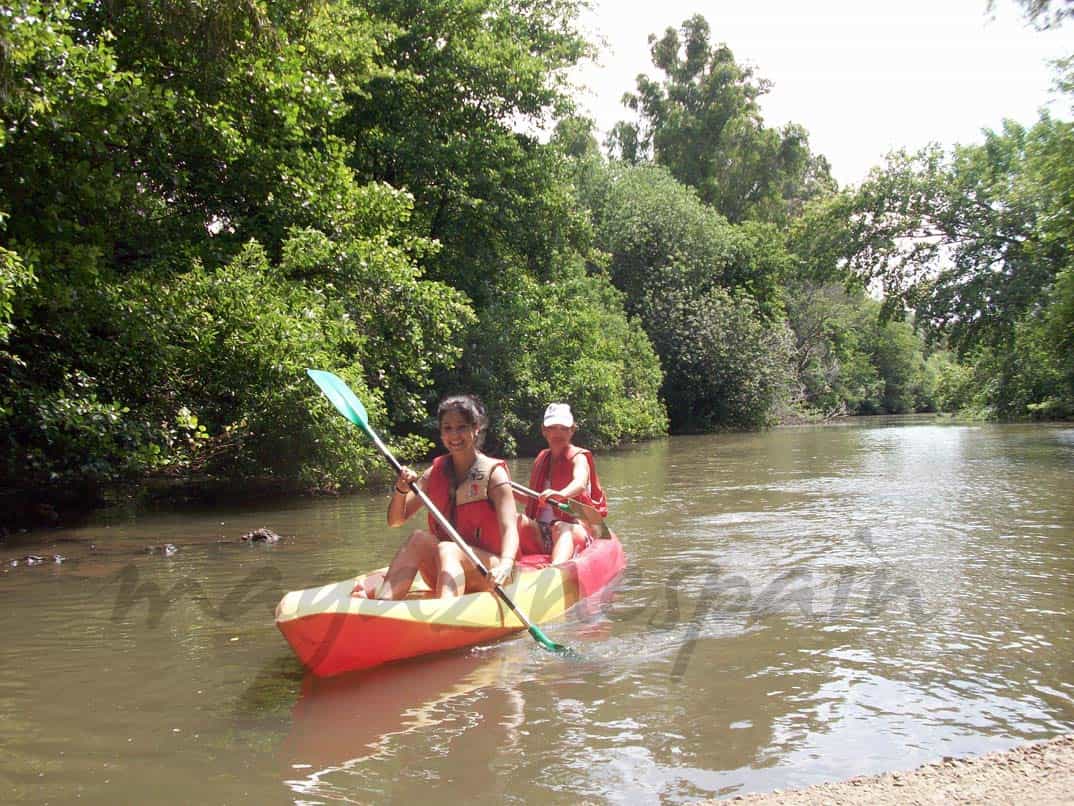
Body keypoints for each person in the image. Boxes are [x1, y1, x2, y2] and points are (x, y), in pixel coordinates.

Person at [353, 394, 519, 600]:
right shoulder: (435, 473)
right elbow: (395, 521)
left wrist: (506, 564)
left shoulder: (494, 475)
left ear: (475, 428)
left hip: (490, 573)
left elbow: (510, 527)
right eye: (447, 428)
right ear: (441, 433)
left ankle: (444, 615)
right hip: (446, 569)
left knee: (449, 549)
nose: (454, 435)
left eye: (462, 427)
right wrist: (401, 490)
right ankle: (382, 605)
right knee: (418, 539)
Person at [517, 402, 608, 565]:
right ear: (544, 431)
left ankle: (555, 570)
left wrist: (562, 494)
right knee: (516, 520)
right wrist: (500, 489)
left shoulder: (579, 458)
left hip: (576, 529)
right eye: (552, 428)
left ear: (572, 430)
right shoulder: (542, 458)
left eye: (564, 428)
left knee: (561, 527)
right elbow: (532, 499)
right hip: (543, 532)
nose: (558, 433)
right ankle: (508, 566)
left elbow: (579, 483)